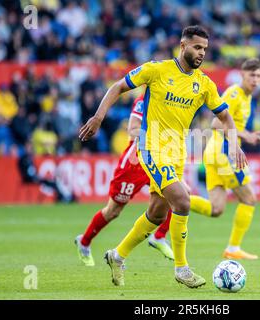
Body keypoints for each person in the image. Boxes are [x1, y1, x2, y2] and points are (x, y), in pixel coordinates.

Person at [79, 25, 247, 288]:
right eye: (197, 47)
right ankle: (182, 268)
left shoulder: (204, 84)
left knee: (157, 214)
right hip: (151, 147)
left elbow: (225, 117)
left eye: (205, 48)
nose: (201, 53)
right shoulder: (156, 70)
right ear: (183, 46)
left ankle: (117, 255)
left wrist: (235, 145)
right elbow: (117, 87)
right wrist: (98, 117)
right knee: (182, 200)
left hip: (177, 152)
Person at [74, 95, 175, 266]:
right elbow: (133, 129)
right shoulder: (145, 100)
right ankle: (84, 242)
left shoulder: (173, 100)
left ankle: (159, 237)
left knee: (175, 194)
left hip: (160, 159)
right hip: (135, 163)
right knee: (113, 211)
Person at [189, 58, 260, 260]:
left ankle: (176, 199)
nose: (255, 80)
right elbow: (216, 123)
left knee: (216, 209)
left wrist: (245, 134)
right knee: (249, 199)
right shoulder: (234, 94)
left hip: (214, 153)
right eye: (252, 75)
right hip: (224, 152)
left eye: (258, 76)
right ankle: (233, 248)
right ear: (242, 75)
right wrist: (245, 135)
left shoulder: (247, 97)